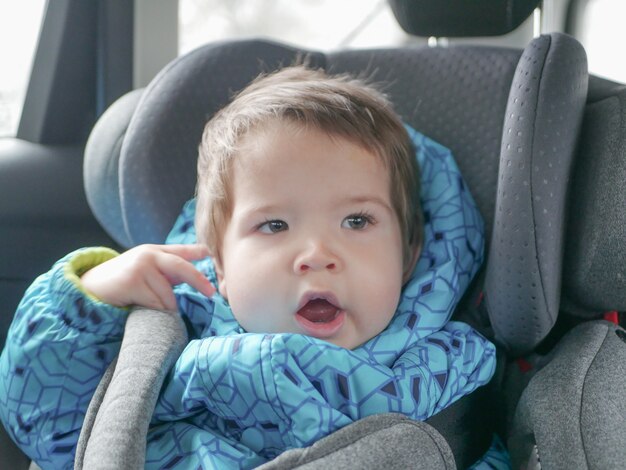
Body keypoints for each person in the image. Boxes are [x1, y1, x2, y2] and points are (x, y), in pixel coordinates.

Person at [0, 66, 500, 469]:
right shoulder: (167, 347)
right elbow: (44, 422)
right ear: (219, 262)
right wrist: (90, 301)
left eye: (356, 219)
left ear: (409, 255)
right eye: (275, 225)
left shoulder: (451, 374)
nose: (317, 254)